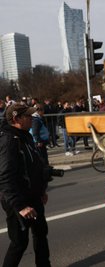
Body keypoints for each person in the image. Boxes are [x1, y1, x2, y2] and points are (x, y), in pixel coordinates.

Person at [0, 103, 51, 266]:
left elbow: (34, 166)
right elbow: (5, 177)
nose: (32, 118)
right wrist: (20, 206)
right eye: (28, 116)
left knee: (41, 234)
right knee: (19, 243)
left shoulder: (25, 135)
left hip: (34, 196)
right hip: (19, 201)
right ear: (16, 118)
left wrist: (42, 189)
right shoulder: (8, 141)